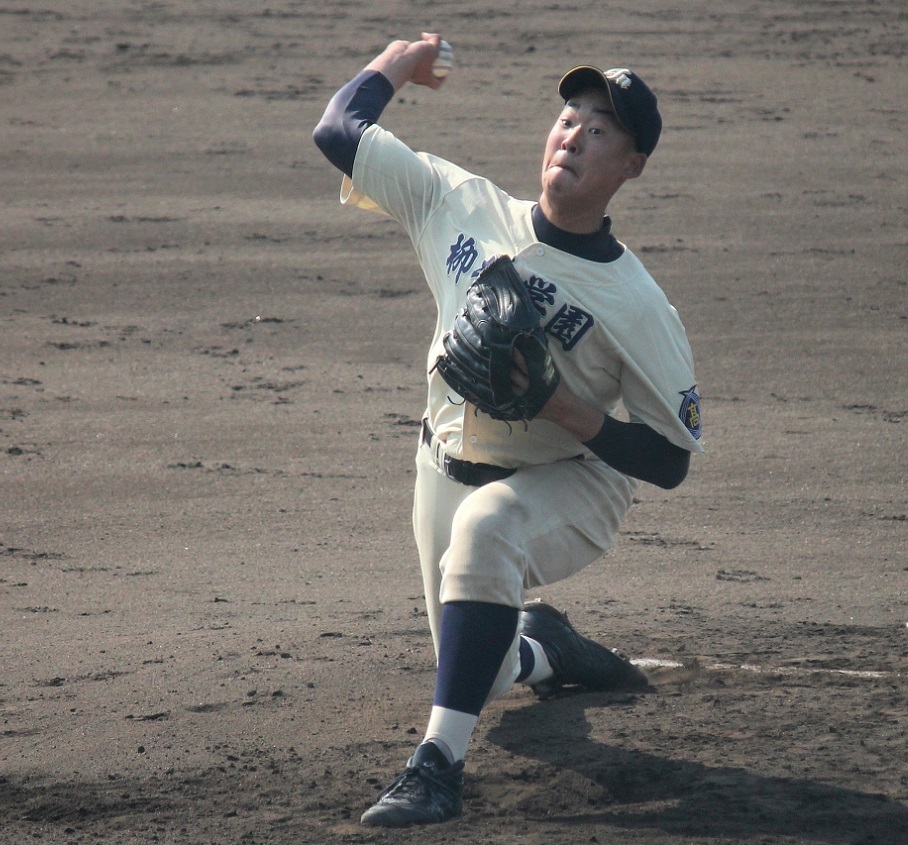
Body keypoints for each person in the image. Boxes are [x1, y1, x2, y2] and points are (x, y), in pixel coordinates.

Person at [312, 32, 703, 827]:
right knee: (480, 670)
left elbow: (668, 460)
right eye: (570, 117)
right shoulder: (460, 204)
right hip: (442, 469)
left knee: (490, 532)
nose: (575, 135)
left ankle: (437, 768)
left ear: (630, 166)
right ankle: (544, 647)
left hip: (573, 481)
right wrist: (400, 61)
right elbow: (338, 131)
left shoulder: (638, 306)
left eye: (602, 130)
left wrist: (564, 406)